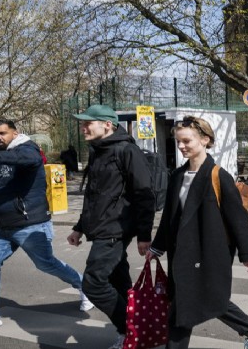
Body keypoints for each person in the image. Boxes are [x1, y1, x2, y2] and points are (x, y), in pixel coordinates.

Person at [0, 120, 93, 337]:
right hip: (2, 226)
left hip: (30, 224)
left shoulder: (27, 149)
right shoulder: (3, 157)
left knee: (47, 264)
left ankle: (86, 288)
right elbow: (2, 191)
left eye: (2, 133)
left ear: (15, 133)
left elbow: (30, 159)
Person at [148, 116, 248, 349]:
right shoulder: (177, 176)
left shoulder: (219, 177)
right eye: (178, 142)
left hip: (208, 252)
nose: (181, 146)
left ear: (205, 140)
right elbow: (169, 218)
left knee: (200, 300)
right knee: (190, 302)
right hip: (181, 253)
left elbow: (238, 221)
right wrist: (157, 247)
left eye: (186, 141)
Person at [67, 104, 156, 349]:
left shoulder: (126, 151)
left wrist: (144, 235)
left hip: (115, 229)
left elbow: (144, 194)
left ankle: (129, 330)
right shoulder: (98, 150)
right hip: (101, 227)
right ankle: (137, 329)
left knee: (93, 284)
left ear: (108, 125)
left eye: (88, 123)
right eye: (82, 123)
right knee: (120, 283)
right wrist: (79, 227)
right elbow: (94, 196)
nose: (83, 127)